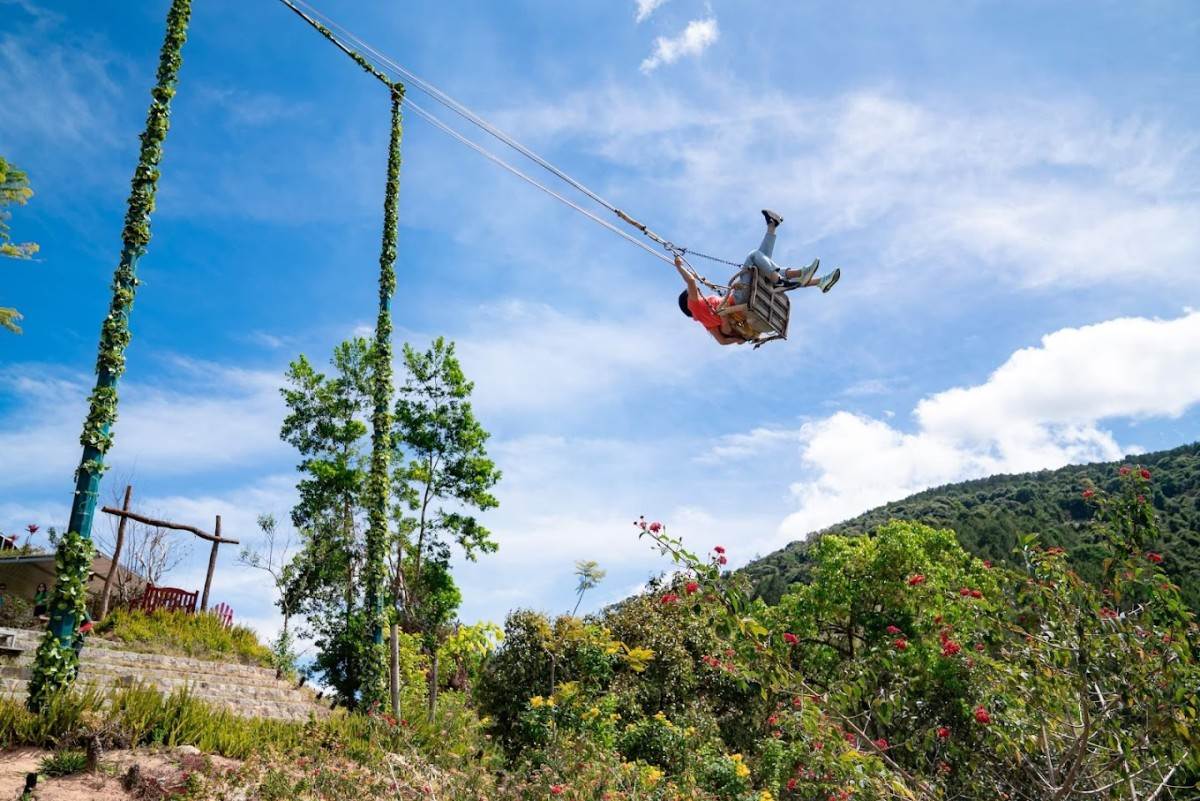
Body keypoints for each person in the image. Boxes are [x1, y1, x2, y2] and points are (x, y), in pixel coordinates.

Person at [676, 209, 840, 345]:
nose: (698, 291)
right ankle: (783, 276)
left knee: (763, 266)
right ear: (688, 302)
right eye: (693, 292)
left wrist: (740, 339)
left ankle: (819, 281)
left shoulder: (706, 323)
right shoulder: (695, 305)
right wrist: (679, 266)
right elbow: (691, 281)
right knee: (754, 256)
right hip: (740, 299)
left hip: (742, 305)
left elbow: (722, 341)